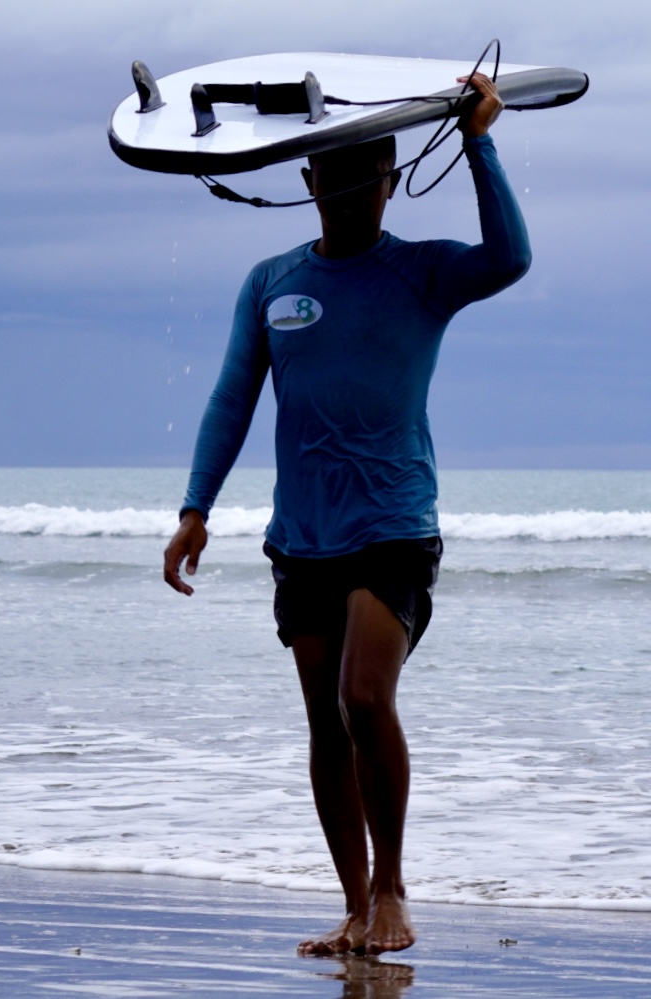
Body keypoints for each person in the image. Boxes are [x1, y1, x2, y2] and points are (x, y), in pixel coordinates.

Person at [163, 73, 531, 955]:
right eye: (335, 174)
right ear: (310, 179)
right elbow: (231, 399)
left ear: (391, 179)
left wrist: (480, 140)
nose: (351, 189)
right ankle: (357, 905)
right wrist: (195, 508)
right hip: (305, 537)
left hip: (395, 524)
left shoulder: (425, 272)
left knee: (365, 696)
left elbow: (510, 257)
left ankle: (396, 889)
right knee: (325, 724)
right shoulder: (271, 283)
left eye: (369, 173)